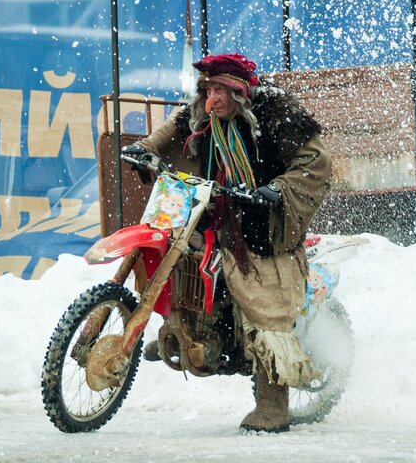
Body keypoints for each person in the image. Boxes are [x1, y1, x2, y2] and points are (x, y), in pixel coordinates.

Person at [123, 53, 333, 433]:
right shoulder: (203, 114)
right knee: (181, 261)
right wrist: (147, 148)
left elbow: (315, 162)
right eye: (207, 90)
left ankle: (273, 405)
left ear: (239, 92)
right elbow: (174, 127)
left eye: (220, 90)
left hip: (259, 226)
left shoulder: (277, 115)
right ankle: (183, 330)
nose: (211, 99)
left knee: (263, 302)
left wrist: (278, 189)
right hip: (213, 208)